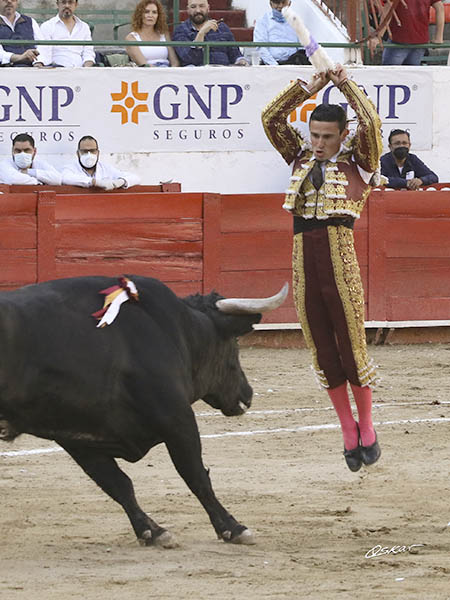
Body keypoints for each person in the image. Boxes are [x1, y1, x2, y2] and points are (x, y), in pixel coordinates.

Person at [262, 65, 383, 472]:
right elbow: (271, 118)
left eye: (327, 137)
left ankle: (367, 425)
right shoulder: (297, 154)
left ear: (342, 136)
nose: (317, 143)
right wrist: (308, 88)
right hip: (303, 256)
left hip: (340, 255)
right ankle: (347, 428)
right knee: (321, 344)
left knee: (351, 342)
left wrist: (344, 83)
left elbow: (370, 121)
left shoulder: (362, 161)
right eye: (314, 135)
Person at [172, 0, 248, 67]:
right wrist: (201, 33)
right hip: (196, 77)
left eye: (202, 6)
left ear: (208, 8)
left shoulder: (222, 27)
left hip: (224, 74)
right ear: (188, 10)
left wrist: (241, 60)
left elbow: (235, 54)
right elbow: (190, 59)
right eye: (193, 7)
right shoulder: (180, 30)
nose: (198, 10)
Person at [369, 0, 444, 65]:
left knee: (390, 75)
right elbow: (440, 8)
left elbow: (388, 10)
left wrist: (378, 37)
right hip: (420, 41)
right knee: (411, 76)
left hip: (399, 40)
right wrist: (438, 37)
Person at [61, 136, 141, 189]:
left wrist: (120, 182)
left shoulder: (106, 168)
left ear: (98, 153)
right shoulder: (70, 168)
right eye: (84, 151)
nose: (89, 155)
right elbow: (65, 178)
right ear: (78, 153)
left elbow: (136, 178)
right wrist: (94, 182)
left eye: (92, 151)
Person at [34, 0, 95, 68]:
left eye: (70, 2)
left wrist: (86, 70)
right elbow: (43, 52)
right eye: (63, 2)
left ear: (76, 4)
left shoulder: (84, 27)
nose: (67, 5)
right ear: (57, 4)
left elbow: (88, 54)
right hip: (57, 71)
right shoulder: (47, 26)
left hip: (80, 71)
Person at [125, 0, 179, 67]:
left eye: (154, 12)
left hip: (167, 71)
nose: (150, 15)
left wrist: (171, 73)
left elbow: (175, 62)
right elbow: (143, 64)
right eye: (146, 12)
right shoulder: (131, 38)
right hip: (148, 73)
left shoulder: (164, 34)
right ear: (140, 14)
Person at [253, 0, 308, 66]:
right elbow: (261, 47)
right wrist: (275, 66)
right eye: (277, 2)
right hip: (272, 64)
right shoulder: (263, 21)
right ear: (271, 4)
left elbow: (302, 46)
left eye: (284, 2)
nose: (280, 6)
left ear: (289, 3)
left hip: (294, 63)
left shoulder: (296, 20)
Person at [0, 0, 43, 66]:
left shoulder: (30, 21)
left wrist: (38, 62)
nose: (9, 1)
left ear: (17, 1)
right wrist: (20, 57)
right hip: (5, 69)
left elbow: (42, 45)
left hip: (32, 67)